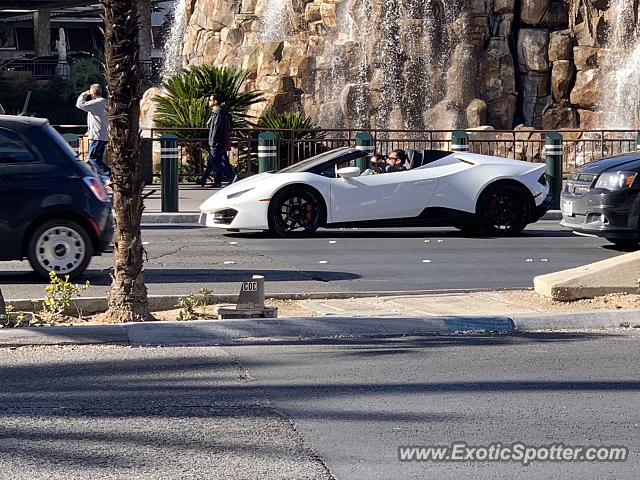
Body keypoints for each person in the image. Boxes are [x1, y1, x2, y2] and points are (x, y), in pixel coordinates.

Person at [199, 93, 236, 188]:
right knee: (212, 161)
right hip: (218, 141)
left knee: (215, 161)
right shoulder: (218, 112)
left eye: (210, 100)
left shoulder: (218, 113)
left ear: (215, 102)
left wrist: (213, 142)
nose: (209, 102)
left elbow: (216, 129)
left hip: (216, 142)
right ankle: (211, 181)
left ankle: (231, 176)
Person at [76, 84, 110, 182]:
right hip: (103, 135)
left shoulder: (96, 103)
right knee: (98, 158)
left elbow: (80, 104)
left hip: (96, 135)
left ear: (92, 93)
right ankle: (100, 179)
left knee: (92, 157)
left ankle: (108, 173)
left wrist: (84, 94)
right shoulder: (105, 102)